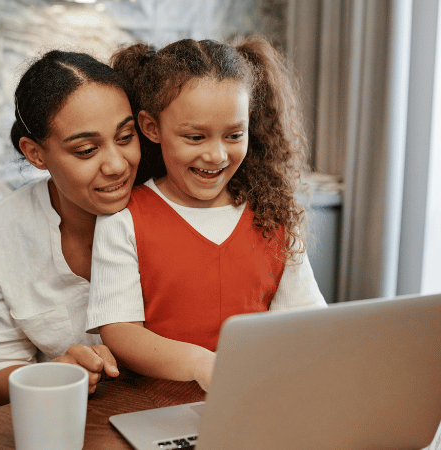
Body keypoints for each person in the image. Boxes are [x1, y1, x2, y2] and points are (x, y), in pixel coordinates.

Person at [86, 36, 327, 392]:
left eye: (233, 135)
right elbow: (120, 333)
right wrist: (203, 364)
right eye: (196, 137)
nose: (216, 155)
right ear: (152, 128)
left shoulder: (271, 216)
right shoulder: (123, 221)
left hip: (255, 398)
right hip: (153, 408)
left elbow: (306, 321)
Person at [0, 50, 142, 406]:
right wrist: (56, 375)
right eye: (87, 150)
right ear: (35, 154)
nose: (117, 165)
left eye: (125, 137)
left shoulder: (172, 207)